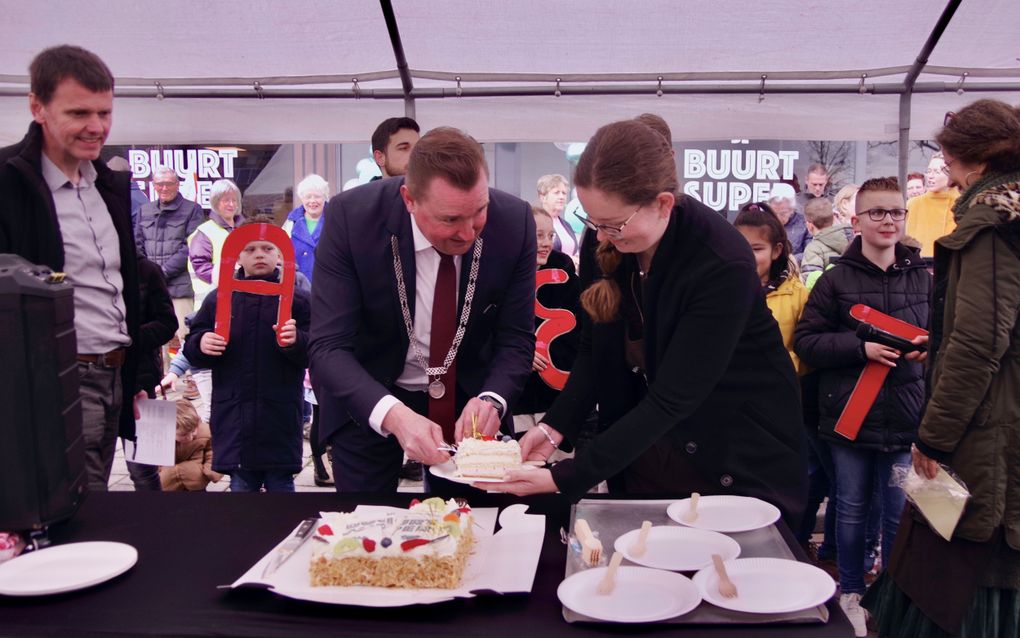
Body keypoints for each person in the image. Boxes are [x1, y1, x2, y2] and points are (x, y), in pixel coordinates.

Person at [485, 119, 807, 528]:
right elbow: (594, 347)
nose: (602, 235)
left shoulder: (719, 260)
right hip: (644, 444)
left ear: (663, 204)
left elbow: (675, 396)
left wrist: (565, 475)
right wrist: (553, 429)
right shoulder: (608, 232)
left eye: (614, 225)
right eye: (593, 221)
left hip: (730, 451)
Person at [864, 99, 1020, 638]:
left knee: (950, 583)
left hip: (988, 442)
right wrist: (946, 341)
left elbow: (980, 345)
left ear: (964, 160)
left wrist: (931, 437)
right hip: (1005, 426)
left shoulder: (991, 226)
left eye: (948, 167)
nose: (948, 183)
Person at [309, 126, 536, 493]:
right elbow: (328, 346)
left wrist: (492, 399)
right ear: (409, 199)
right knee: (365, 522)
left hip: (467, 395)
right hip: (370, 392)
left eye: (478, 212)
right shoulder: (353, 218)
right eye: (449, 219)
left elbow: (516, 339)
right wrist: (394, 416)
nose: (468, 233)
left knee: (469, 526)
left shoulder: (515, 222)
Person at [0, 45, 143, 491]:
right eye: (79, 112)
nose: (96, 127)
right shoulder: (7, 182)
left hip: (114, 375)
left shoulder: (110, 185)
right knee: (78, 506)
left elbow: (122, 286)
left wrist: (138, 373)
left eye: (104, 112)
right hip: (52, 380)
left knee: (93, 502)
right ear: (37, 107)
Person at [794, 177, 931, 637]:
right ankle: (850, 590)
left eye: (896, 212)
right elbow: (807, 342)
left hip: (905, 415)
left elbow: (942, 337)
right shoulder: (834, 280)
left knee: (897, 513)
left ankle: (890, 595)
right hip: (849, 415)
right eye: (877, 212)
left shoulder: (922, 277)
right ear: (855, 222)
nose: (888, 220)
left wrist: (927, 349)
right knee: (850, 508)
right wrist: (861, 349)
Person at [184, 216, 311, 492]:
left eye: (267, 248)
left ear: (279, 253)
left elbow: (317, 348)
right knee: (242, 487)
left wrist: (297, 341)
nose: (259, 255)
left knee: (281, 486)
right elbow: (192, 343)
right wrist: (202, 342)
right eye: (251, 249)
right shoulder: (218, 299)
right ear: (237, 255)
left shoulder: (298, 300)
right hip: (235, 415)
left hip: (279, 413)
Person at [512, 206, 581, 435]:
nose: (546, 242)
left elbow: (578, 333)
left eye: (550, 235)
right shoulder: (501, 277)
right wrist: (519, 354)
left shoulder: (565, 275)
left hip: (554, 398)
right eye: (539, 235)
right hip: (516, 398)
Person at [136, 165, 205, 351]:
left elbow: (190, 247)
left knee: (185, 340)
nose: (164, 188)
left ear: (177, 184)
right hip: (151, 289)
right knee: (156, 345)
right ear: (154, 185)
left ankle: (183, 380)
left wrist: (162, 272)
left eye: (168, 183)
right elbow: (137, 244)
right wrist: (151, 274)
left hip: (180, 288)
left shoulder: (193, 210)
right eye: (159, 184)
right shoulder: (145, 210)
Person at [733, 202, 808, 374]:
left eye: (757, 249)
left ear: (776, 251)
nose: (747, 256)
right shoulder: (719, 293)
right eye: (741, 247)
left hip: (777, 391)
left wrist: (772, 368)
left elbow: (806, 351)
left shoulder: (797, 295)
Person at [124, 255, 178, 490]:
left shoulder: (145, 269)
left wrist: (125, 339)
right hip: (91, 377)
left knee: (143, 469)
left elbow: (167, 323)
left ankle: (154, 520)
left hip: (140, 378)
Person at [159, 400, 222, 491]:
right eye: (184, 435)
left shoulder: (204, 432)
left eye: (193, 430)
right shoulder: (161, 440)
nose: (191, 436)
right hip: (170, 483)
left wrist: (210, 469)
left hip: (196, 479)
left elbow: (213, 450)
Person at [906, 153, 960, 257]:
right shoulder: (914, 204)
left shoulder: (961, 203)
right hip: (920, 265)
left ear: (951, 174)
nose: (930, 176)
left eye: (936, 172)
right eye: (929, 171)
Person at [282, 174, 329, 283]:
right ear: (301, 198)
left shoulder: (336, 219)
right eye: (308, 197)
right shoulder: (291, 222)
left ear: (325, 197)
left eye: (317, 196)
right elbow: (281, 252)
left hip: (328, 285)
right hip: (298, 284)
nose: (312, 201)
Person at [801, 197, 851, 276]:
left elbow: (811, 282)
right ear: (834, 218)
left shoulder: (813, 249)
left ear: (809, 226)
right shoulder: (853, 236)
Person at [537, 174, 578, 258]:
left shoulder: (567, 225)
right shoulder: (535, 222)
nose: (561, 197)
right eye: (556, 193)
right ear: (543, 197)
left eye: (564, 193)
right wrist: (569, 260)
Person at [769, 182, 811, 261]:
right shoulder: (764, 222)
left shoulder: (804, 224)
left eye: (783, 213)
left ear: (792, 209)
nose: (777, 218)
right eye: (774, 213)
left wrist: (790, 260)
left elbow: (810, 253)